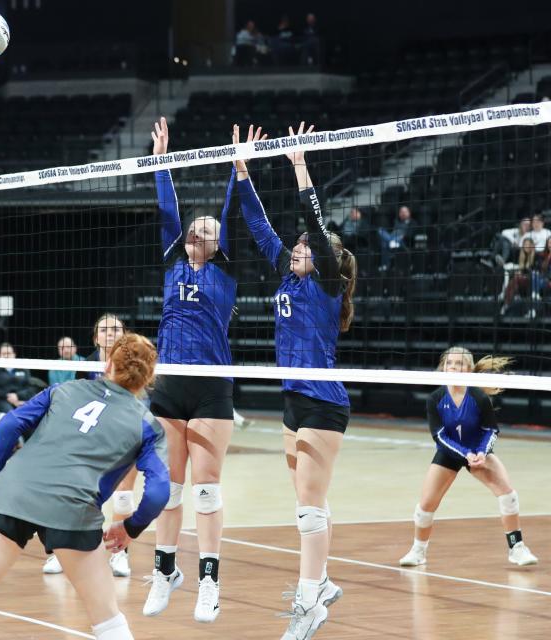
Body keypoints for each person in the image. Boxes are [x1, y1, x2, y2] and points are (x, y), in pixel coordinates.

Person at [0, 334, 169, 640]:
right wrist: (130, 528)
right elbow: (159, 491)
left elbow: (7, 427)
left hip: (14, 491)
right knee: (109, 622)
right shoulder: (148, 424)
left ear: (107, 364)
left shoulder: (64, 389)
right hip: (72, 509)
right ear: (150, 376)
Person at [237, 122, 357, 640]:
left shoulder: (328, 285)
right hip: (292, 401)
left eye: (308, 245)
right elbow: (259, 226)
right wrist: (242, 170)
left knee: (309, 506)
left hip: (323, 403)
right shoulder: (288, 273)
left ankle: (309, 604)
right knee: (309, 502)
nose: (299, 246)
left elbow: (312, 218)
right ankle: (322, 581)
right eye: (301, 245)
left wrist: (300, 164)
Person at [142, 117, 240, 624]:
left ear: (217, 243)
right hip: (169, 384)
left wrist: (237, 166)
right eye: (194, 228)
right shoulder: (172, 263)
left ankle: (209, 582)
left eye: (208, 229)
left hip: (211, 390)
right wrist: (163, 157)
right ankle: (164, 572)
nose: (197, 230)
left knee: (205, 488)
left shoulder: (225, 271)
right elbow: (167, 208)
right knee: (169, 487)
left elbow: (233, 212)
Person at [399, 347, 538, 568]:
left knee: (508, 495)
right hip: (450, 454)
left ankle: (516, 548)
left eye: (460, 364)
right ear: (443, 367)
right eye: (450, 363)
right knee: (426, 505)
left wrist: (482, 452)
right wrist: (466, 454)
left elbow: (491, 430)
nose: (454, 367)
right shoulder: (435, 399)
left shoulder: (479, 397)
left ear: (470, 369)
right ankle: (418, 551)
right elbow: (439, 437)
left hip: (478, 452)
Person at [44, 313, 135, 577]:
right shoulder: (86, 366)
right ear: (96, 337)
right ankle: (65, 554)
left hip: (124, 437)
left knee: (123, 495)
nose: (110, 333)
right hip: (90, 438)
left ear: (124, 334)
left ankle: (119, 554)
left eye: (115, 329)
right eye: (104, 330)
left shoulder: (133, 365)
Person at [500, 237, 550, 317]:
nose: (527, 246)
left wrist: (523, 273)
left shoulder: (537, 256)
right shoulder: (519, 256)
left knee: (522, 277)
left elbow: (537, 270)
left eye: (529, 244)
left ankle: (507, 302)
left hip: (536, 279)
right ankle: (506, 302)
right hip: (526, 280)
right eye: (525, 244)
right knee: (515, 279)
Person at [0, 342, 38, 414]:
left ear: (14, 354)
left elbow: (30, 388)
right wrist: (9, 397)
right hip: (2, 401)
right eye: (4, 354)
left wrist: (17, 396)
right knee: (12, 414)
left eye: (9, 353)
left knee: (32, 411)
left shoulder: (23, 369)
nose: (7, 356)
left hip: (21, 399)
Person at [378, 205, 414, 271]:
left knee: (384, 244)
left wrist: (402, 236)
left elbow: (411, 234)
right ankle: (391, 241)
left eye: (405, 212)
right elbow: (389, 231)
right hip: (392, 237)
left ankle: (386, 265)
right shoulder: (395, 221)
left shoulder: (412, 222)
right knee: (381, 230)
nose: (403, 213)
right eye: (401, 212)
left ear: (409, 213)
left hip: (403, 240)